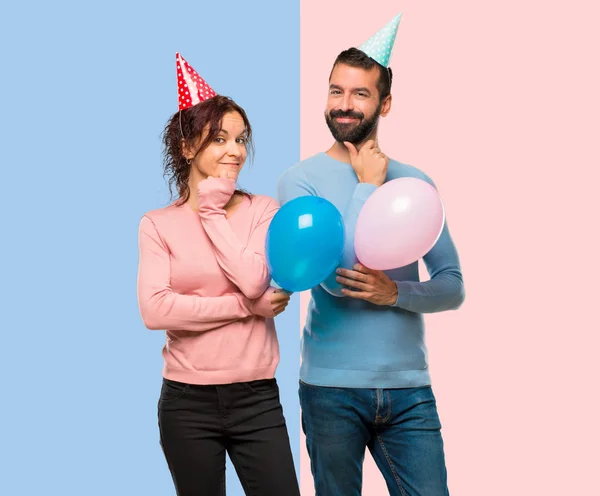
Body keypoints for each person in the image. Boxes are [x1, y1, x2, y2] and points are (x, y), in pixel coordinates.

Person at [277, 15, 465, 496]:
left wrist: (395, 292)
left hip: (409, 391)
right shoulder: (301, 181)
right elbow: (333, 276)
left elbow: (451, 284)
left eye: (360, 93)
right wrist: (365, 185)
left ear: (384, 102)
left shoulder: (416, 183)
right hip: (330, 389)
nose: (344, 105)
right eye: (336, 91)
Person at [137, 53, 300, 496]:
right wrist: (249, 308)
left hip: (257, 399)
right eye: (219, 139)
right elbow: (156, 310)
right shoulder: (157, 224)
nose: (235, 150)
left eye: (240, 138)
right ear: (188, 148)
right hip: (186, 403)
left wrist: (211, 211)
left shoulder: (262, 210)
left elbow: (251, 278)